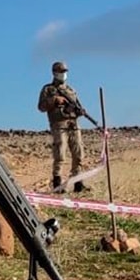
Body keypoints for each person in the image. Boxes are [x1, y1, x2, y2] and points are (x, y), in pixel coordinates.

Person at [37, 61, 87, 193]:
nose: (63, 74)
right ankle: (57, 183)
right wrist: (54, 100)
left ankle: (78, 183)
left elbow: (77, 106)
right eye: (60, 72)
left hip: (73, 124)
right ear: (54, 73)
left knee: (78, 154)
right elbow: (41, 107)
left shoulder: (71, 90)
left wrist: (79, 111)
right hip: (59, 125)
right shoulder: (48, 89)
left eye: (64, 72)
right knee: (60, 154)